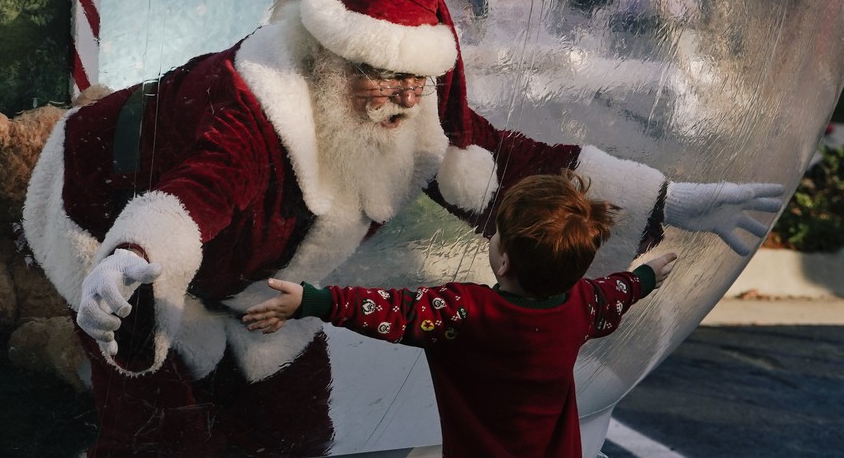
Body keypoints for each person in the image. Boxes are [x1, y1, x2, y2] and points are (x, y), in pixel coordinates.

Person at [22, 0, 781, 456]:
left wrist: (675, 200)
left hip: (258, 277)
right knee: (159, 423)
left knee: (293, 420)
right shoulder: (251, 107)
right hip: (101, 209)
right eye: (385, 79)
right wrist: (133, 257)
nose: (405, 101)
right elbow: (194, 195)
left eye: (419, 82)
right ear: (329, 60)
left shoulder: (419, 110)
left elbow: (519, 170)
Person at [243, 171, 678, 457]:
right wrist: (647, 275)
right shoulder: (581, 306)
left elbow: (392, 311)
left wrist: (311, 301)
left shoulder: (465, 313)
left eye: (497, 236)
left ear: (503, 261)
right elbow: (617, 292)